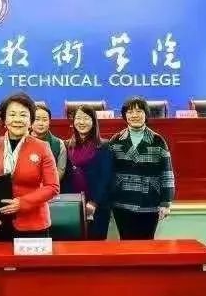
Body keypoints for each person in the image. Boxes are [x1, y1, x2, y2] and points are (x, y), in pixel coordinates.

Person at [0, 92, 59, 240]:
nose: (17, 119)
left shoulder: (42, 147)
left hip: (33, 223)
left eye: (23, 115)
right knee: (0, 256)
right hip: (1, 221)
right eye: (12, 114)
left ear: (30, 120)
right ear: (4, 119)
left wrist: (22, 203)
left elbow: (52, 187)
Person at [107, 96, 175, 240]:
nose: (135, 115)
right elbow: (108, 172)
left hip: (149, 202)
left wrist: (166, 202)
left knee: (147, 245)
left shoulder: (157, 140)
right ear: (125, 115)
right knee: (126, 244)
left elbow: (167, 173)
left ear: (146, 114)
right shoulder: (116, 140)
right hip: (122, 202)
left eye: (139, 111)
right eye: (130, 112)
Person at [63, 105, 113, 240]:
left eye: (86, 118)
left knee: (95, 246)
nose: (82, 122)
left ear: (94, 122)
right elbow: (64, 178)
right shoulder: (66, 145)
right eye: (78, 118)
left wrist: (94, 202)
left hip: (97, 206)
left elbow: (105, 178)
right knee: (72, 246)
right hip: (72, 205)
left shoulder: (104, 146)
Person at [31, 104, 67, 180]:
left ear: (49, 122)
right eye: (37, 119)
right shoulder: (21, 141)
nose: (41, 123)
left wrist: (47, 184)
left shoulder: (59, 144)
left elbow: (60, 170)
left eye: (44, 120)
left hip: (50, 185)